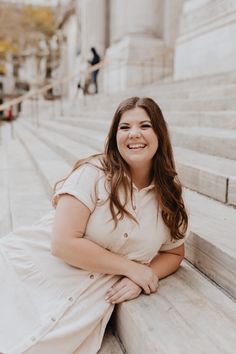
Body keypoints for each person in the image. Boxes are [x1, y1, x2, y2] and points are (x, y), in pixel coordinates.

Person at [0, 97, 188, 354]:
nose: (134, 134)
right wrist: (133, 269)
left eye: (145, 125)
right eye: (124, 127)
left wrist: (146, 275)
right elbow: (63, 244)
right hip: (26, 274)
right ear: (114, 136)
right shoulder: (94, 173)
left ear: (160, 134)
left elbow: (175, 252)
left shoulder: (169, 196)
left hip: (80, 308)